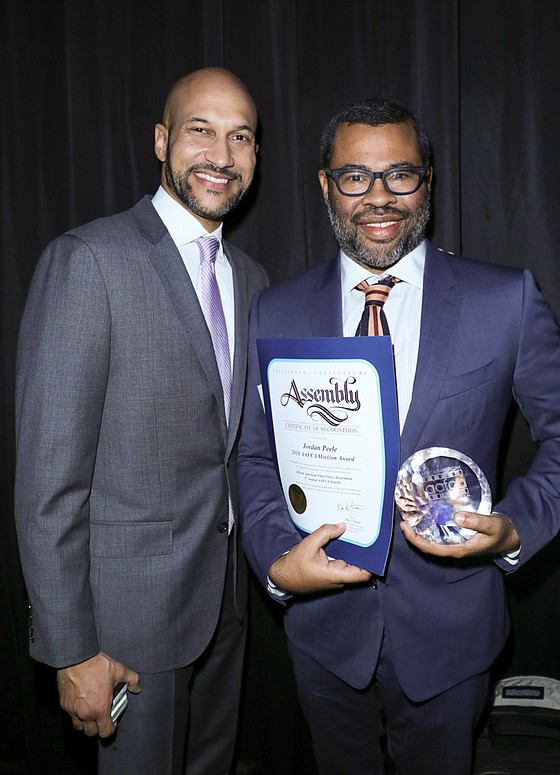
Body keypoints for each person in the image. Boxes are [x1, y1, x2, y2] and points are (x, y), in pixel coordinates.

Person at [236, 99, 560, 775]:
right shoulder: (276, 308)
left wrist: (514, 528)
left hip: (452, 635)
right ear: (325, 185)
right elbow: (256, 454)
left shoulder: (506, 299)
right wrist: (274, 561)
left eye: (400, 174)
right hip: (322, 635)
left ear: (428, 181)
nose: (379, 196)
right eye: (355, 176)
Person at [14, 67, 268, 774]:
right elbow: (47, 481)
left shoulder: (252, 279)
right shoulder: (88, 260)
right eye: (201, 130)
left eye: (241, 136)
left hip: (226, 613)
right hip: (125, 635)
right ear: (161, 141)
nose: (222, 154)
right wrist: (70, 647)